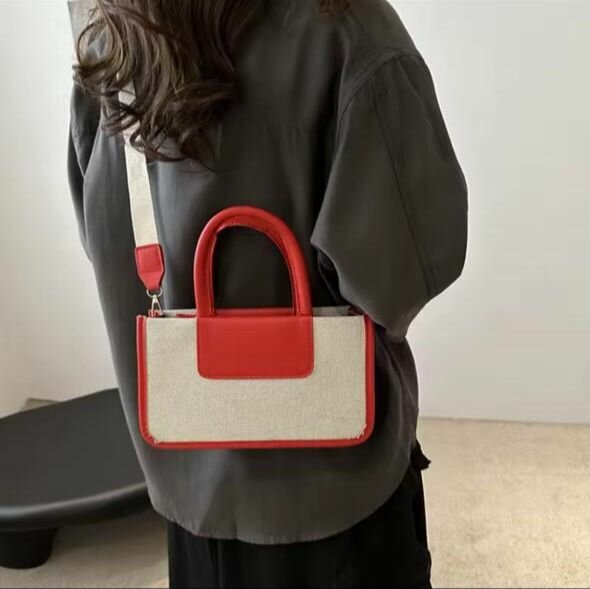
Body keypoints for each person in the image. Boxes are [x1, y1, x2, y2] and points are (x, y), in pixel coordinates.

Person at [68, 0, 468, 587]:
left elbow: (102, 237)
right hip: (339, 493)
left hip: (190, 487)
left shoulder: (110, 45)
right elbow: (403, 274)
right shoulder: (350, 30)